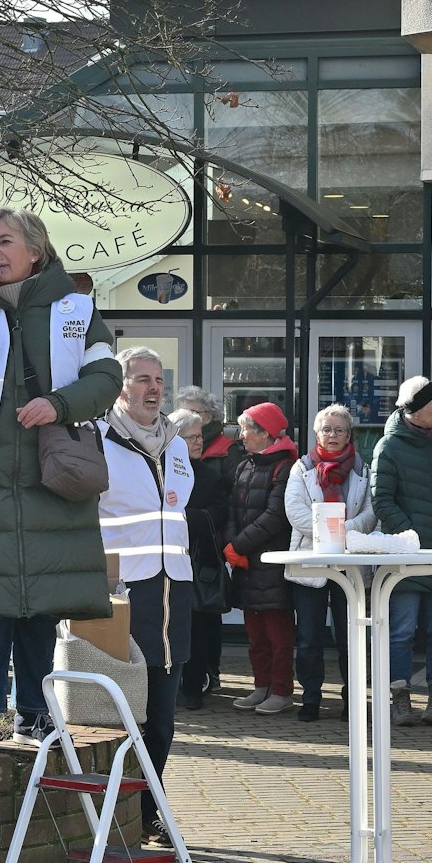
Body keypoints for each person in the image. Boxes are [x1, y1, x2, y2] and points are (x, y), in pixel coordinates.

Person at [0, 206, 120, 752]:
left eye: (4, 241)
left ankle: (35, 710)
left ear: (36, 250)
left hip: (47, 471)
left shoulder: (77, 308)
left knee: (41, 601)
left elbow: (107, 377)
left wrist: (58, 404)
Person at [96, 349, 195, 835]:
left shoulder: (176, 443)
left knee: (162, 719)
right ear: (120, 387)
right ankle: (116, 815)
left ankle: (146, 813)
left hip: (174, 596)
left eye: (158, 380)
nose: (153, 388)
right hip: (122, 596)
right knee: (120, 718)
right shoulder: (98, 438)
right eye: (141, 380)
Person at [372, 376, 432, 727]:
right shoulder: (388, 447)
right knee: (402, 631)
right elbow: (382, 500)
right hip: (407, 556)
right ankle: (399, 698)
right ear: (413, 409)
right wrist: (410, 533)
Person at [283, 404, 374, 722]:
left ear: (349, 434)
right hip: (312, 563)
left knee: (351, 637)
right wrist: (332, 529)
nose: (333, 435)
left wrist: (342, 530)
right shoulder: (301, 467)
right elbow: (295, 512)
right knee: (309, 638)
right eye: (327, 429)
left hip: (350, 564)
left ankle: (352, 699)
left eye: (339, 430)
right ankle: (310, 699)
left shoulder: (363, 470)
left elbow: (371, 513)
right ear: (316, 433)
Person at [223, 402, 299, 715]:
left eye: (246, 429)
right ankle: (261, 685)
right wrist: (231, 543)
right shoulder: (245, 465)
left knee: (278, 634)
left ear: (264, 433)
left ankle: (281, 690)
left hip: (272, 563)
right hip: (247, 563)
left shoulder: (285, 467)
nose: (241, 436)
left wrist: (238, 545)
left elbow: (275, 515)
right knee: (255, 634)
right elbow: (232, 509)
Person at [175, 409, 230, 710]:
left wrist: (182, 518)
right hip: (162, 560)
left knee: (199, 628)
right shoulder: (161, 469)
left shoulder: (209, 475)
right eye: (192, 437)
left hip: (199, 562)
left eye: (200, 436)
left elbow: (219, 514)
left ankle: (195, 686)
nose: (199, 441)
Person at [175, 385, 241, 486]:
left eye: (194, 412)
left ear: (209, 416)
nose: (188, 416)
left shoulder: (227, 449)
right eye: (184, 412)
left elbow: (233, 492)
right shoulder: (173, 444)